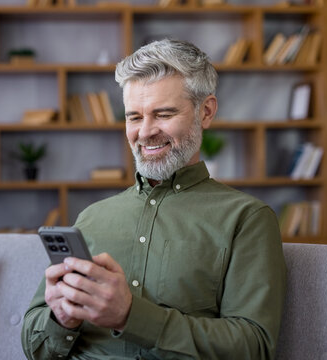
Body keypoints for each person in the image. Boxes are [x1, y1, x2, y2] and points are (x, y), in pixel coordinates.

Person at [21, 39, 287, 360]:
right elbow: (35, 347)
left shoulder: (247, 218)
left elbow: (254, 347)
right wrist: (62, 319)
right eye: (134, 117)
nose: (145, 132)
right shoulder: (92, 217)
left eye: (163, 114)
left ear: (206, 111)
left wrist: (131, 315)